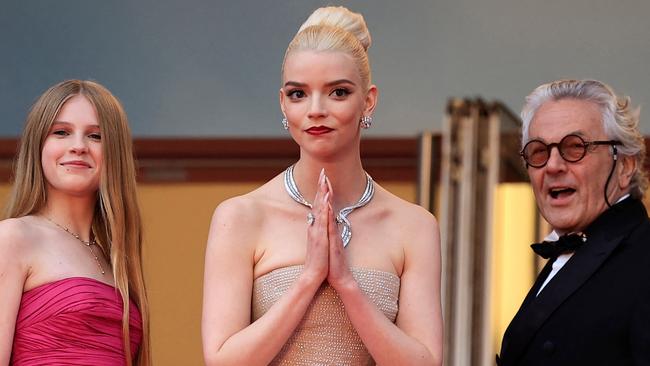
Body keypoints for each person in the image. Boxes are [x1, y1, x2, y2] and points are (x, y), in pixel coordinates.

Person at [202, 6, 442, 366]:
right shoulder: (240, 217)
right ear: (283, 103)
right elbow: (222, 362)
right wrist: (309, 278)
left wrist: (346, 283)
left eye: (338, 92)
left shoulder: (414, 226)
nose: (316, 109)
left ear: (369, 100)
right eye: (299, 94)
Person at [497, 79, 650, 365]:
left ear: (625, 166)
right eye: (539, 151)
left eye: (575, 147)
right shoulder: (570, 255)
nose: (553, 165)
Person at [0, 80, 150, 365]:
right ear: (38, 147)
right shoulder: (12, 238)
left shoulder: (113, 258)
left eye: (96, 136)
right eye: (61, 132)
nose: (78, 146)